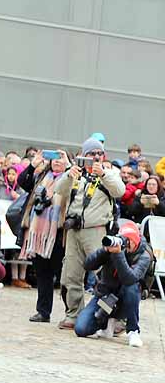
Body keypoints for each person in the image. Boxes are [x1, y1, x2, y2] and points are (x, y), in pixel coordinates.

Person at [53, 137, 125, 330]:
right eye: (91, 154)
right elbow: (58, 190)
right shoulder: (76, 173)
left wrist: (103, 174)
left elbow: (120, 191)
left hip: (97, 230)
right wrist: (69, 175)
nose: (95, 157)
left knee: (105, 276)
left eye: (98, 153)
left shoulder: (109, 173)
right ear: (83, 156)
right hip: (74, 231)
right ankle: (73, 314)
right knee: (71, 275)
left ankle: (113, 317)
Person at [74, 223, 152, 347]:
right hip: (106, 294)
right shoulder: (113, 247)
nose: (126, 243)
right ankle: (106, 324)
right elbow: (88, 265)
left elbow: (129, 279)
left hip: (127, 298)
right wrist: (104, 250)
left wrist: (118, 254)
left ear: (136, 240)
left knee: (131, 286)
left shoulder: (144, 254)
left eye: (129, 240)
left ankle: (133, 331)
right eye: (124, 239)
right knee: (81, 329)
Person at [19, 151, 69, 323]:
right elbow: (22, 182)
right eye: (54, 158)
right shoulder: (41, 175)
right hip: (37, 233)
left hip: (59, 233)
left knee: (64, 276)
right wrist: (34, 164)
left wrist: (69, 166)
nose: (57, 162)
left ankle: (71, 313)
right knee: (42, 273)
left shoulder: (71, 178)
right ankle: (43, 311)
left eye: (61, 159)